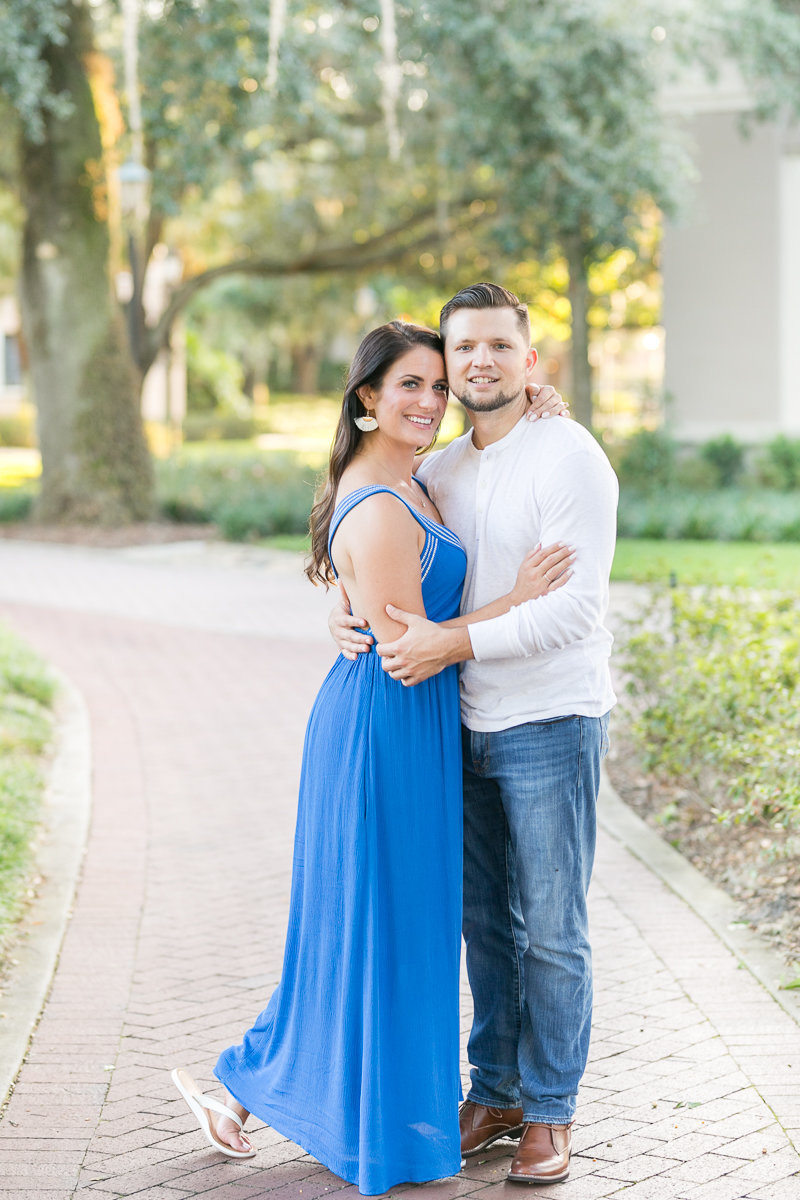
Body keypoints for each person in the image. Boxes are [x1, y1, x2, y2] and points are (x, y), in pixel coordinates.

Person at [172, 319, 573, 1196]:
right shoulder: (386, 497)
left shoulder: (415, 478)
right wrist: (517, 598)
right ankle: (270, 1087)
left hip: (417, 726)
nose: (432, 401)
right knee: (372, 928)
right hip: (382, 730)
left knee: (387, 929)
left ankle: (254, 1091)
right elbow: (405, 648)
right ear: (366, 399)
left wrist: (539, 402)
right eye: (411, 388)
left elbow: (378, 602)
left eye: (439, 385)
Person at [331, 283, 618, 1186]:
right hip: (454, 727)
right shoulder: (439, 469)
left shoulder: (570, 458)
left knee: (552, 932)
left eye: (500, 345)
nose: (481, 362)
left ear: (530, 363)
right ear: (449, 368)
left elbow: (574, 610)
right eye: (465, 350)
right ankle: (494, 1093)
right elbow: (378, 540)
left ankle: (552, 1111)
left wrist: (454, 639)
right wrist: (340, 608)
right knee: (485, 926)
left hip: (548, 722)